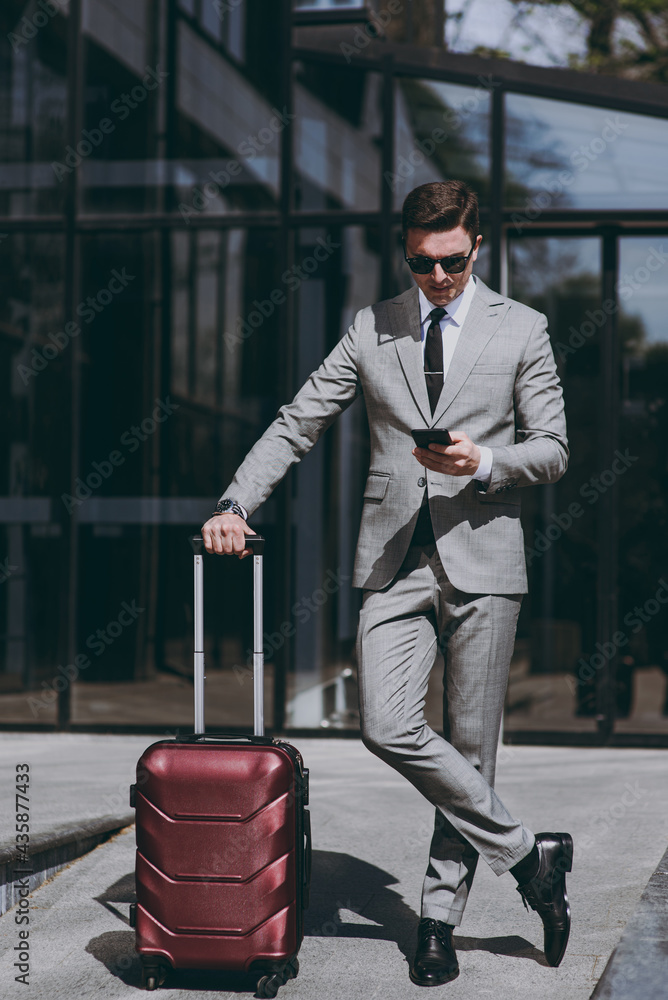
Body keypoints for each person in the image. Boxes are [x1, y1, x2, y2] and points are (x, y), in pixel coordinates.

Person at [202, 180, 573, 986]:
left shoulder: (523, 330)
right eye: (419, 262)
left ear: (479, 246)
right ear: (404, 252)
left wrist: (485, 460)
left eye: (450, 261)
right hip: (393, 559)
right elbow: (298, 420)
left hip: (485, 556)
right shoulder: (372, 327)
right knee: (386, 723)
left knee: (471, 748)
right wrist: (234, 500)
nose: (436, 277)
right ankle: (529, 856)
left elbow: (552, 448)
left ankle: (437, 922)